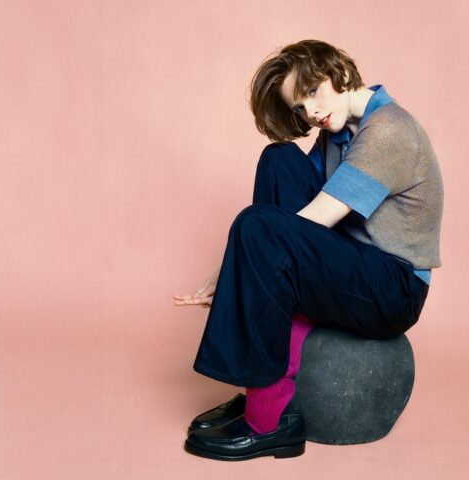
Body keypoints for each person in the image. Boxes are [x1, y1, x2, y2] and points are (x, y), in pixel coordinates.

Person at [173, 39, 444, 461]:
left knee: (257, 225)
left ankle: (266, 415)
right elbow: (295, 212)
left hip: (394, 288)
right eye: (300, 107)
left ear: (340, 72)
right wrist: (248, 262)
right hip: (353, 264)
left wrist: (232, 273)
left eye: (313, 91)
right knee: (278, 158)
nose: (311, 112)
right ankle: (262, 371)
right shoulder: (336, 135)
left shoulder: (388, 131)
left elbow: (311, 220)